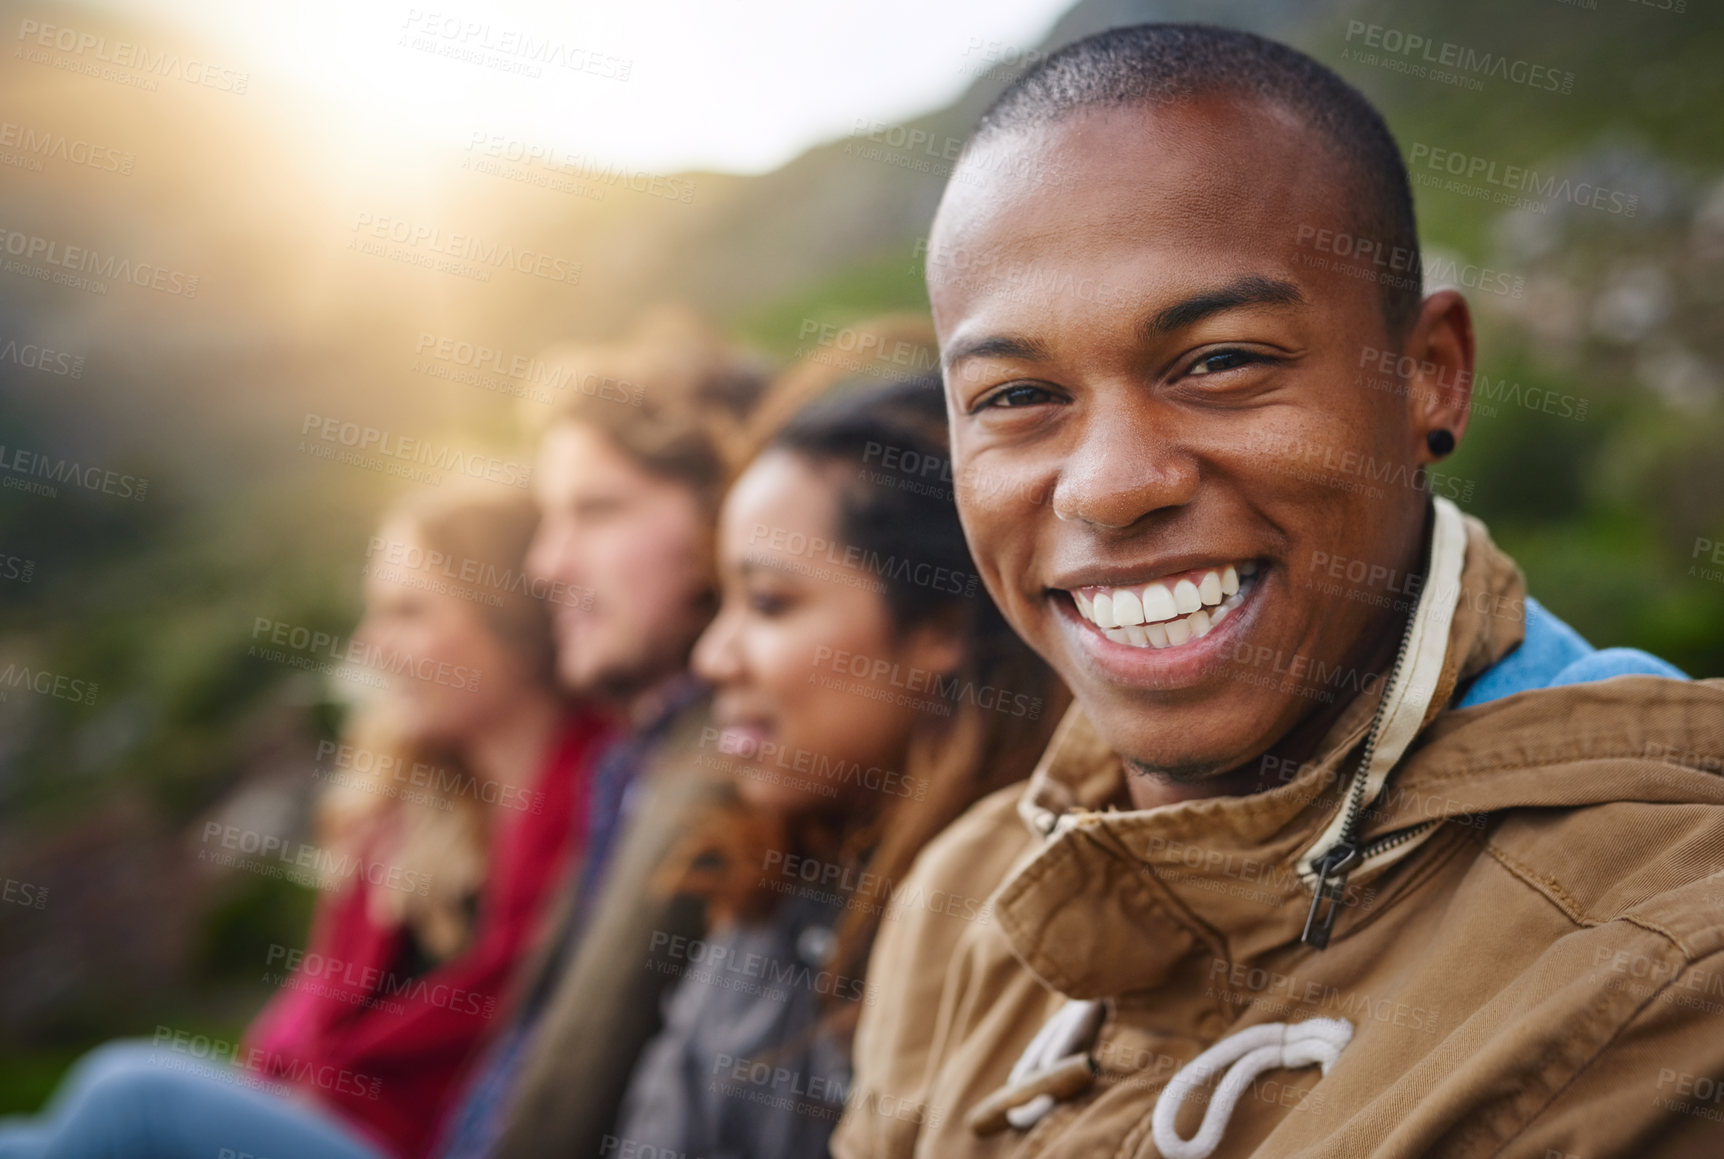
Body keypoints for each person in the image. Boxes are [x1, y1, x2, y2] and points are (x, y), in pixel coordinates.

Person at [834, 23, 1724, 1159]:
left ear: (1426, 375)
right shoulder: (965, 900)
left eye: (1219, 362)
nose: (1107, 487)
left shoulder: (1658, 973)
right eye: (1015, 395)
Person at [0, 488, 615, 1159]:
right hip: (326, 1124)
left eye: (408, 611)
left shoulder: (601, 802)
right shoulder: (409, 810)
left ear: (514, 619)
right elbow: (312, 1010)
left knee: (132, 1097)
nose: (370, 644)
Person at [612, 374, 1064, 1159]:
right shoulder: (768, 875)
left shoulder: (1029, 930)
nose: (712, 657)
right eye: (721, 600)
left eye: (771, 602)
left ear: (939, 629)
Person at [437, 308, 772, 1158]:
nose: (548, 563)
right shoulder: (630, 759)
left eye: (596, 511)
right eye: (551, 519)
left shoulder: (733, 760)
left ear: (719, 518)